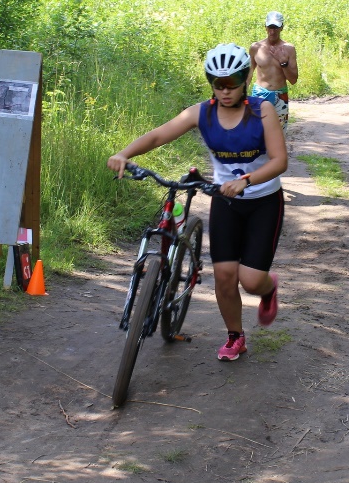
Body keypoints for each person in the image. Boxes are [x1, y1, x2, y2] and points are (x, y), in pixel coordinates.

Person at [108, 44, 288, 362]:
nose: (225, 90)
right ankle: (235, 336)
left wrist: (246, 181)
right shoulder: (201, 112)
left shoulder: (263, 111)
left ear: (245, 78)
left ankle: (268, 287)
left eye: (232, 82)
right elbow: (158, 135)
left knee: (250, 279)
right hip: (225, 202)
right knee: (224, 275)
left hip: (262, 201)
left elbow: (279, 161)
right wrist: (125, 153)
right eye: (218, 84)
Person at [249, 11, 298, 130]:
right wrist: (240, 95)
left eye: (275, 27)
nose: (272, 31)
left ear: (281, 27)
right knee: (257, 133)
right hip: (260, 93)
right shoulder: (256, 48)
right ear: (265, 27)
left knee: (279, 134)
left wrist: (283, 63)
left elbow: (293, 80)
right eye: (270, 27)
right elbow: (248, 74)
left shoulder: (289, 49)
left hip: (280, 95)